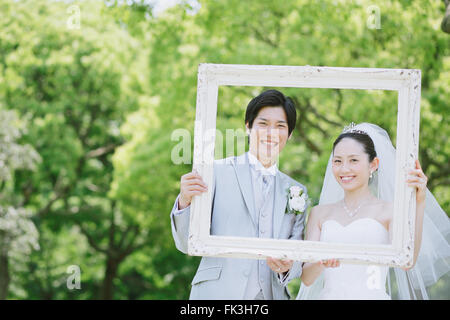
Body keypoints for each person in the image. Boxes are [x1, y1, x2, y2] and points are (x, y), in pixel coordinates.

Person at [170, 89, 308, 300]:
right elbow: (186, 243)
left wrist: (288, 266)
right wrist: (185, 202)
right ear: (248, 127)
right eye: (263, 124)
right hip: (217, 294)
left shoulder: (296, 191)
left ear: (289, 135)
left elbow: (297, 252)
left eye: (280, 126)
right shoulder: (214, 172)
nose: (271, 132)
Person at [297, 122, 450, 300]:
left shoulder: (389, 211)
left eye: (353, 160)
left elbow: (407, 260)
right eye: (338, 161)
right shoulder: (319, 213)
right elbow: (307, 279)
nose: (344, 169)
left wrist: (420, 202)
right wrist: (321, 262)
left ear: (373, 164)